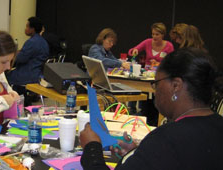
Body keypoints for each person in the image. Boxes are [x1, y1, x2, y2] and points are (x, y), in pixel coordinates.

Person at [80, 47, 223, 170]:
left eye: (157, 83)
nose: (155, 90)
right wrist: (138, 156)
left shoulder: (165, 139)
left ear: (176, 86)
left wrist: (91, 149)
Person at [6, 16, 49, 106]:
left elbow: (20, 59)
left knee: (4, 76)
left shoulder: (32, 42)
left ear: (32, 29)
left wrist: (15, 54)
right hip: (37, 75)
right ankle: (25, 99)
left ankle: (11, 104)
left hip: (26, 75)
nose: (25, 29)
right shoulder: (43, 42)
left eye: (27, 26)